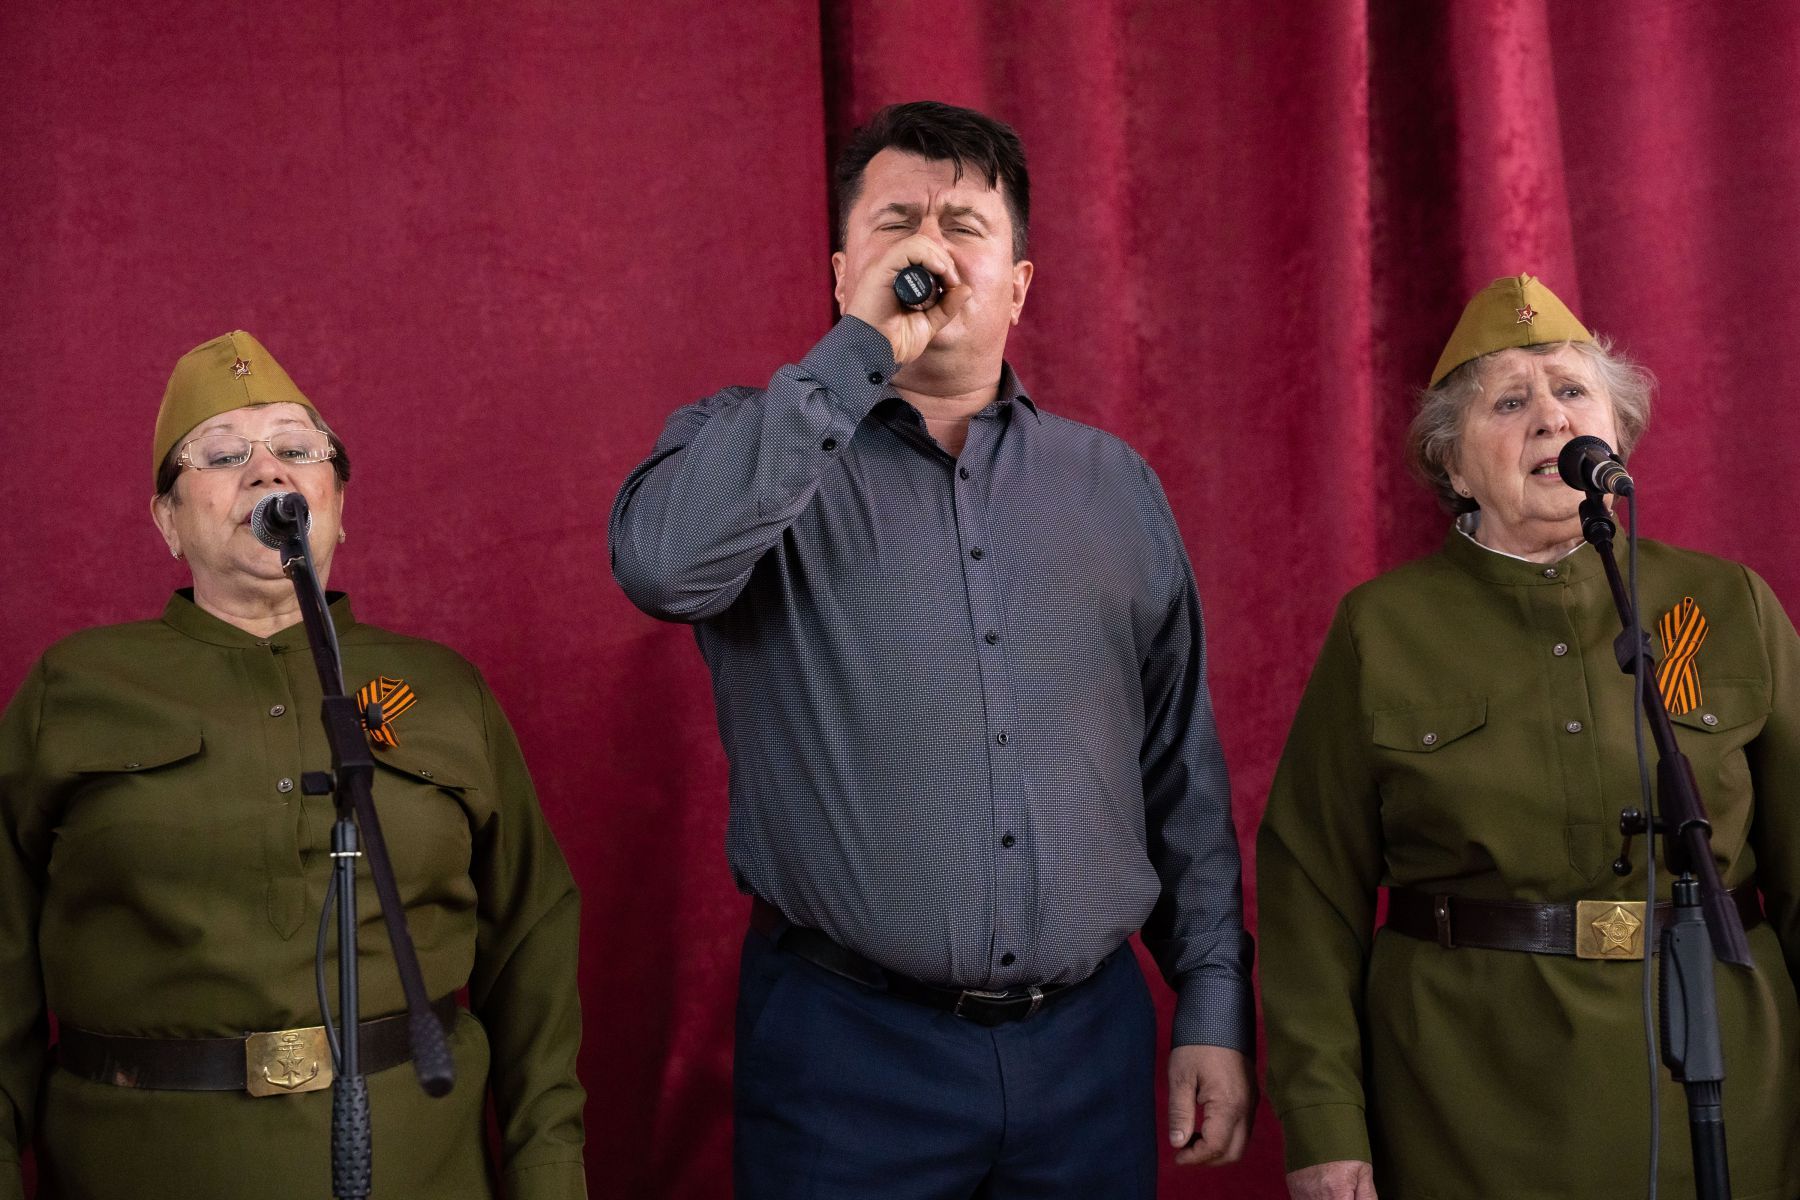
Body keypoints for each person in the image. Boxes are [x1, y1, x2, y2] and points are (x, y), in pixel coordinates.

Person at [610, 100, 1254, 1198]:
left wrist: (1211, 998)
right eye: (896, 223)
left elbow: (1177, 770)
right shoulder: (743, 443)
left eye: (964, 226)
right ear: (841, 273)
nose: (932, 250)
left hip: (1089, 1056)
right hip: (846, 1058)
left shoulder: (1114, 485)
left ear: (1020, 284)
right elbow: (663, 569)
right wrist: (856, 356)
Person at [0, 331, 588, 1200]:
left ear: (339, 504)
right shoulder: (75, 687)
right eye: (223, 454)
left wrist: (548, 1180)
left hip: (417, 1165)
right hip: (142, 1164)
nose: (267, 471)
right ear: (167, 520)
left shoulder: (444, 689)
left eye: (297, 448)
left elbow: (533, 946)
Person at [1258, 274, 1800, 1199]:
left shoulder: (1726, 602)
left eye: (1573, 391)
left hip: (1724, 1086)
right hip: (1468, 1099)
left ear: (1616, 433)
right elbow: (1310, 893)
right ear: (1454, 466)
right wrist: (1323, 1123)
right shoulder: (1381, 629)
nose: (1552, 417)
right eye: (1509, 402)